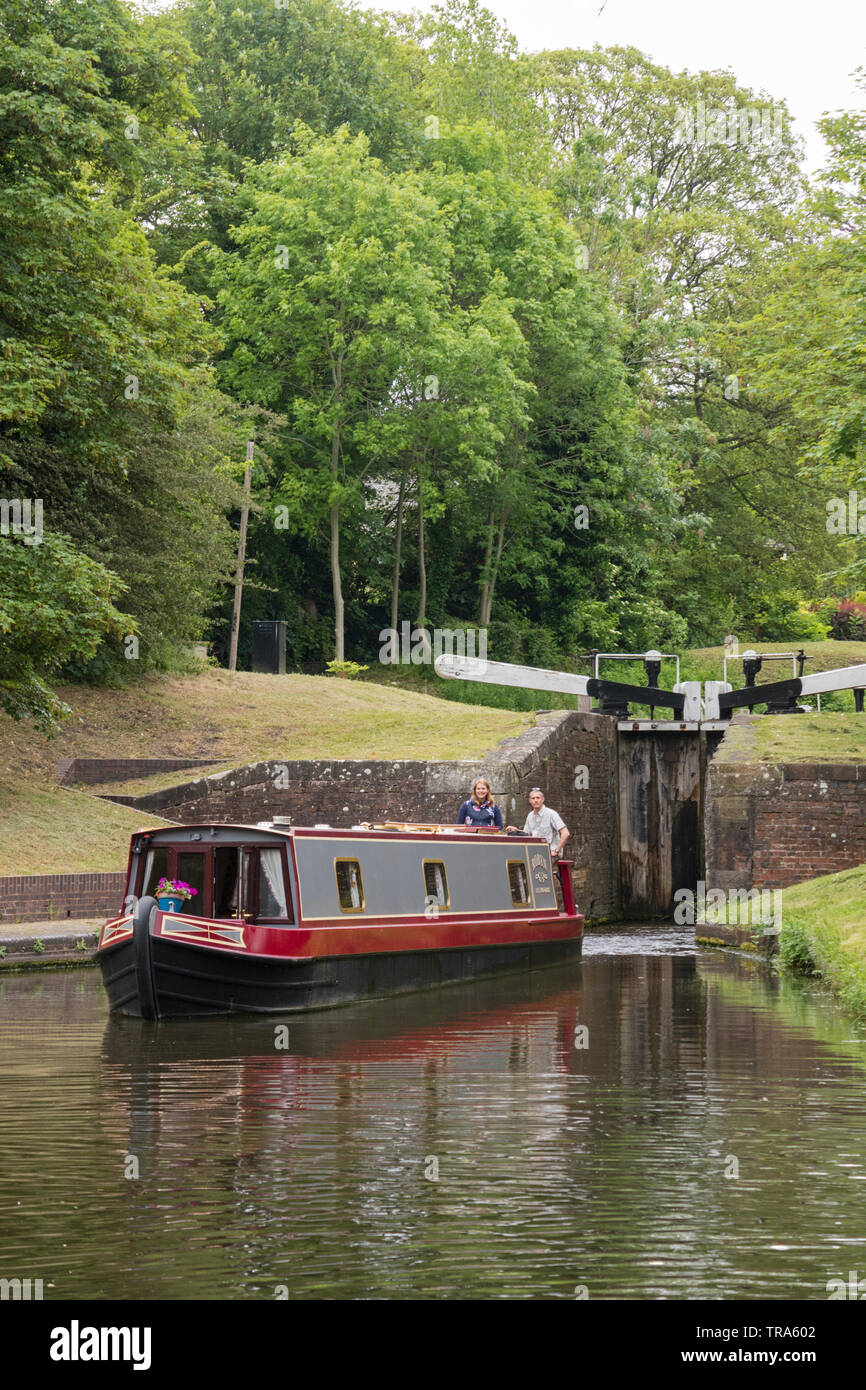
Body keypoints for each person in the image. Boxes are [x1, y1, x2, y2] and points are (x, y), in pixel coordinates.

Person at [508, 788, 569, 858]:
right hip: (535, 852)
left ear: (543, 799)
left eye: (538, 798)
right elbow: (527, 834)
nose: (535, 800)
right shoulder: (530, 816)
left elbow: (565, 833)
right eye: (533, 798)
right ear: (530, 801)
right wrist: (516, 830)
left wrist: (556, 850)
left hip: (550, 854)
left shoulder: (551, 814)